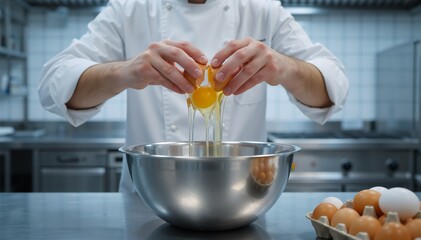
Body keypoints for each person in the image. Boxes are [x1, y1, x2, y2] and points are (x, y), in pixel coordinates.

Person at [38, 0, 349, 193]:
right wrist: (125, 71)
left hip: (242, 198)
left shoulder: (262, 9)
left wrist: (284, 67)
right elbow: (54, 85)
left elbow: (333, 88)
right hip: (149, 203)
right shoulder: (129, 9)